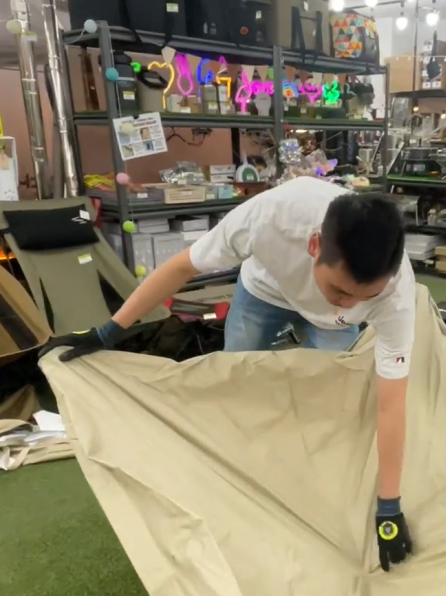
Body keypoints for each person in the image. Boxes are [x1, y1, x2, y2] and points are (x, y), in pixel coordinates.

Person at [40, 177, 415, 572]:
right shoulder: (269, 217)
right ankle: (232, 480)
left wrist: (388, 508)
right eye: (340, 290)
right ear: (313, 245)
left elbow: (390, 405)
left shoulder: (395, 295)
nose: (349, 303)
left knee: (334, 404)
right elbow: (182, 266)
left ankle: (303, 480)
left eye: (365, 297)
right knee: (233, 388)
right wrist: (108, 331)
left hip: (333, 327)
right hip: (264, 294)